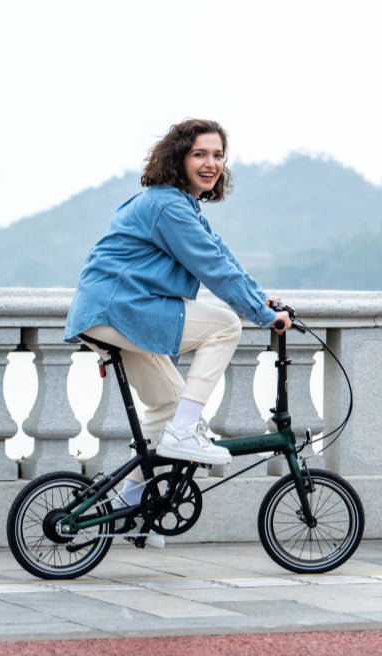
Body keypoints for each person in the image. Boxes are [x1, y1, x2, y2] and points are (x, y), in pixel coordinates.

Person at [65, 119, 289, 536]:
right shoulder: (169, 207)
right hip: (121, 309)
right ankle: (185, 432)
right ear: (179, 157)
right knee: (224, 325)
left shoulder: (179, 205)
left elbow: (222, 256)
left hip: (111, 312)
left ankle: (123, 508)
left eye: (218, 155)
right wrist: (260, 316)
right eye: (200, 154)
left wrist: (264, 300)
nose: (211, 163)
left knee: (168, 404)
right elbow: (213, 268)